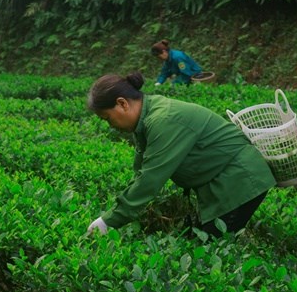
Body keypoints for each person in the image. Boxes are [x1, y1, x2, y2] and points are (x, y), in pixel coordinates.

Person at [86, 72, 276, 238]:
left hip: (239, 180)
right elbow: (141, 172)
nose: (110, 125)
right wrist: (115, 212)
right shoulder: (147, 119)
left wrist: (109, 221)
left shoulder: (163, 120)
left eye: (107, 118)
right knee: (205, 243)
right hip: (223, 181)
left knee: (209, 251)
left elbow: (150, 180)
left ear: (122, 103)